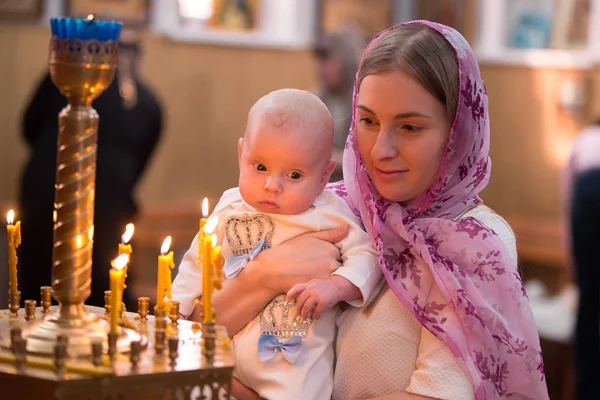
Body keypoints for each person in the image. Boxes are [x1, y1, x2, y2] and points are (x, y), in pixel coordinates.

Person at [210, 21, 549, 400]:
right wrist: (268, 274)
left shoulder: (473, 241)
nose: (378, 150)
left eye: (410, 127)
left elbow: (434, 395)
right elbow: (202, 328)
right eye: (368, 121)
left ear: (458, 133)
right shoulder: (335, 206)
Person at [172, 88, 380, 400]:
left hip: (290, 374)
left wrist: (337, 286)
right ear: (241, 154)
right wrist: (175, 307)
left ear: (324, 176)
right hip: (221, 359)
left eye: (294, 175)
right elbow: (196, 262)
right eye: (259, 167)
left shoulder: (330, 213)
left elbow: (369, 255)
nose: (272, 185)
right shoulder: (230, 205)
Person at [18, 31, 163, 309]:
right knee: (99, 290)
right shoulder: (149, 102)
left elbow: (28, 128)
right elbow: (139, 164)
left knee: (40, 284)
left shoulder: (61, 82)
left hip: (50, 192)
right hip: (107, 203)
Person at [562, 121, 600, 400]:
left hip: (587, 192)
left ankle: (586, 390)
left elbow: (567, 197)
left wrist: (573, 258)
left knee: (589, 300)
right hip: (586, 191)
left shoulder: (585, 138)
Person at [313, 27, 366, 182]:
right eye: (319, 61)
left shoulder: (364, 101)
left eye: (327, 60)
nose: (321, 69)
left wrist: (337, 159)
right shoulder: (316, 98)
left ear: (346, 60)